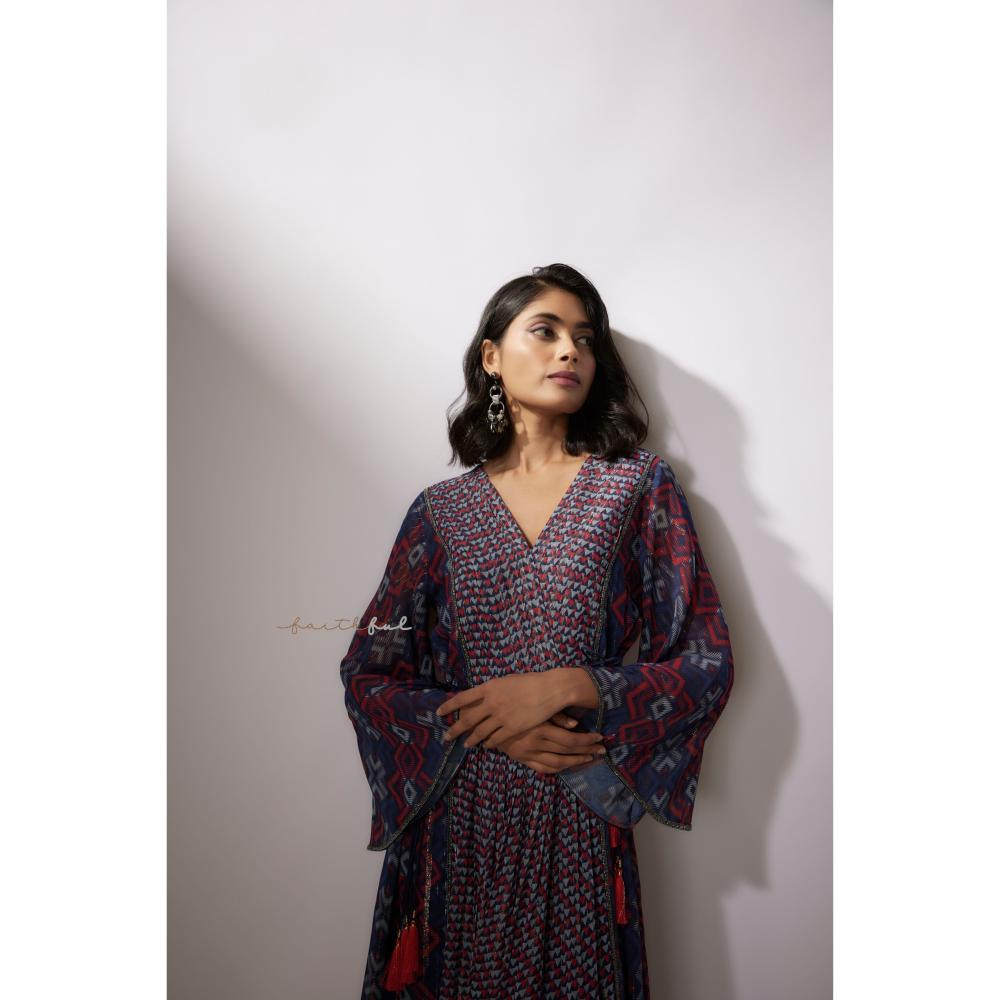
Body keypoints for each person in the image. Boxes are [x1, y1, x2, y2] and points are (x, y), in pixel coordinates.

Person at [339, 263, 735, 999]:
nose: (569, 351)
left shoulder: (635, 488)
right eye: (545, 331)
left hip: (576, 811)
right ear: (492, 355)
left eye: (584, 339)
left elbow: (703, 659)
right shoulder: (440, 513)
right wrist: (491, 725)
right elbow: (370, 671)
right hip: (458, 824)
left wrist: (573, 685)